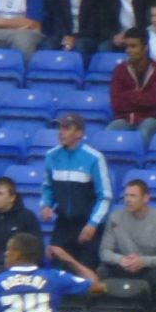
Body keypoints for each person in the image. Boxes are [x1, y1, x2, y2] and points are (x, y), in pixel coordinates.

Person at [41, 114, 113, 271]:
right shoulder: (51, 156)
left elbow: (105, 196)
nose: (61, 132)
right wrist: (46, 205)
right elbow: (48, 187)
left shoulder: (94, 158)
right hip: (63, 225)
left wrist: (93, 224)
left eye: (67, 128)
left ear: (79, 133)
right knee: (58, 272)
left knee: (86, 273)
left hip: (87, 225)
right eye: (60, 128)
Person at [98, 179, 156, 289]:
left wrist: (143, 261)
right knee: (102, 271)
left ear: (146, 198)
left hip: (148, 268)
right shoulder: (115, 218)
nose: (128, 200)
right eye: (126, 196)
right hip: (123, 265)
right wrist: (121, 260)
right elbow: (104, 251)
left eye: (133, 196)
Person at [108, 28, 156, 145]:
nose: (128, 50)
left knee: (144, 133)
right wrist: (141, 97)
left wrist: (128, 95)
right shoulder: (119, 70)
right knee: (109, 132)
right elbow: (116, 103)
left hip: (150, 119)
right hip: (124, 119)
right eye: (127, 46)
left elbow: (154, 101)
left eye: (133, 46)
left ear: (145, 47)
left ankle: (139, 163)